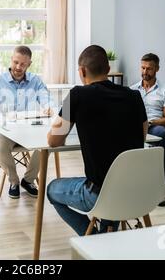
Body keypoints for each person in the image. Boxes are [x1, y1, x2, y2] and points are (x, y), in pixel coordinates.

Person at [46, 45, 148, 236]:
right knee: (113, 183)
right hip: (135, 191)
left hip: (98, 194)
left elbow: (54, 140)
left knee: (52, 190)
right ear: (108, 70)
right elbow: (142, 136)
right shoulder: (134, 96)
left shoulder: (77, 95)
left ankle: (92, 239)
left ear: (82, 71)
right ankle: (106, 235)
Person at [0, 46, 54, 199]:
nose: (18, 67)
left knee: (49, 143)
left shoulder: (36, 81)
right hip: (7, 131)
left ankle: (28, 180)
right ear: (11, 59)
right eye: (16, 62)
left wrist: (48, 108)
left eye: (23, 64)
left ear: (29, 64)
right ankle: (14, 181)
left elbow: (47, 100)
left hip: (30, 130)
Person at [130, 53, 165, 207]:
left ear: (157, 69)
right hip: (134, 125)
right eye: (143, 67)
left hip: (154, 125)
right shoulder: (132, 90)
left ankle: (160, 190)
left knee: (162, 134)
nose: (145, 71)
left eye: (149, 68)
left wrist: (150, 122)